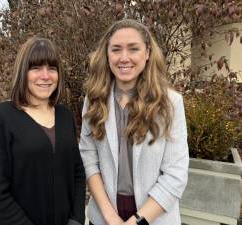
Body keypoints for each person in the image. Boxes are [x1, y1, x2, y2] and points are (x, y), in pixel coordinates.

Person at [79, 19, 189, 225]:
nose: (124, 58)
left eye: (133, 49)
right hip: (104, 216)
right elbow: (89, 158)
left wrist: (136, 221)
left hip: (153, 217)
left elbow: (175, 173)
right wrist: (110, 217)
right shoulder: (93, 99)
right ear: (107, 54)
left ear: (147, 53)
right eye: (116, 49)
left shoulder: (170, 103)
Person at [0, 36, 86, 225]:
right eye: (36, 68)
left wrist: (77, 219)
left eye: (52, 68)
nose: (45, 76)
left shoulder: (64, 116)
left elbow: (77, 172)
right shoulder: (2, 118)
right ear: (23, 72)